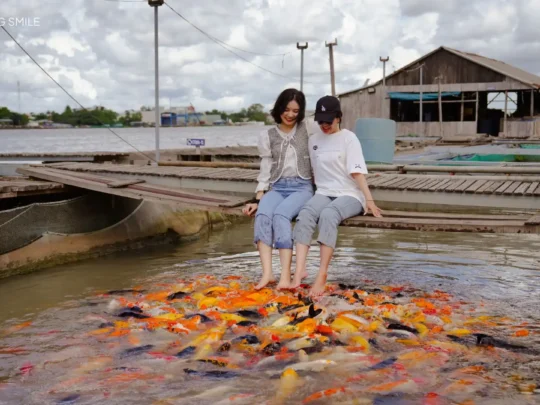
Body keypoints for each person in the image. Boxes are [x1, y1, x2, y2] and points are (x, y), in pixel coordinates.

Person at [292, 95, 382, 297]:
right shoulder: (314, 140)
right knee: (306, 213)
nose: (324, 125)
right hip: (324, 191)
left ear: (339, 117)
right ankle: (299, 271)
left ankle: (322, 275)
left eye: (328, 121)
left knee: (329, 214)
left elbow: (357, 172)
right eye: (320, 121)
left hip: (349, 194)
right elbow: (313, 172)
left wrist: (369, 200)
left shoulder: (349, 138)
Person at [242, 88, 314, 290]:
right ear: (279, 108)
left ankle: (285, 276)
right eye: (287, 109)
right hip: (278, 186)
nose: (291, 114)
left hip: (302, 187)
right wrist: (258, 198)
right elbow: (265, 170)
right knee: (264, 215)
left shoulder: (308, 128)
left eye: (296, 111)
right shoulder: (268, 135)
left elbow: (329, 134)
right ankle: (267, 274)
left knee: (281, 215)